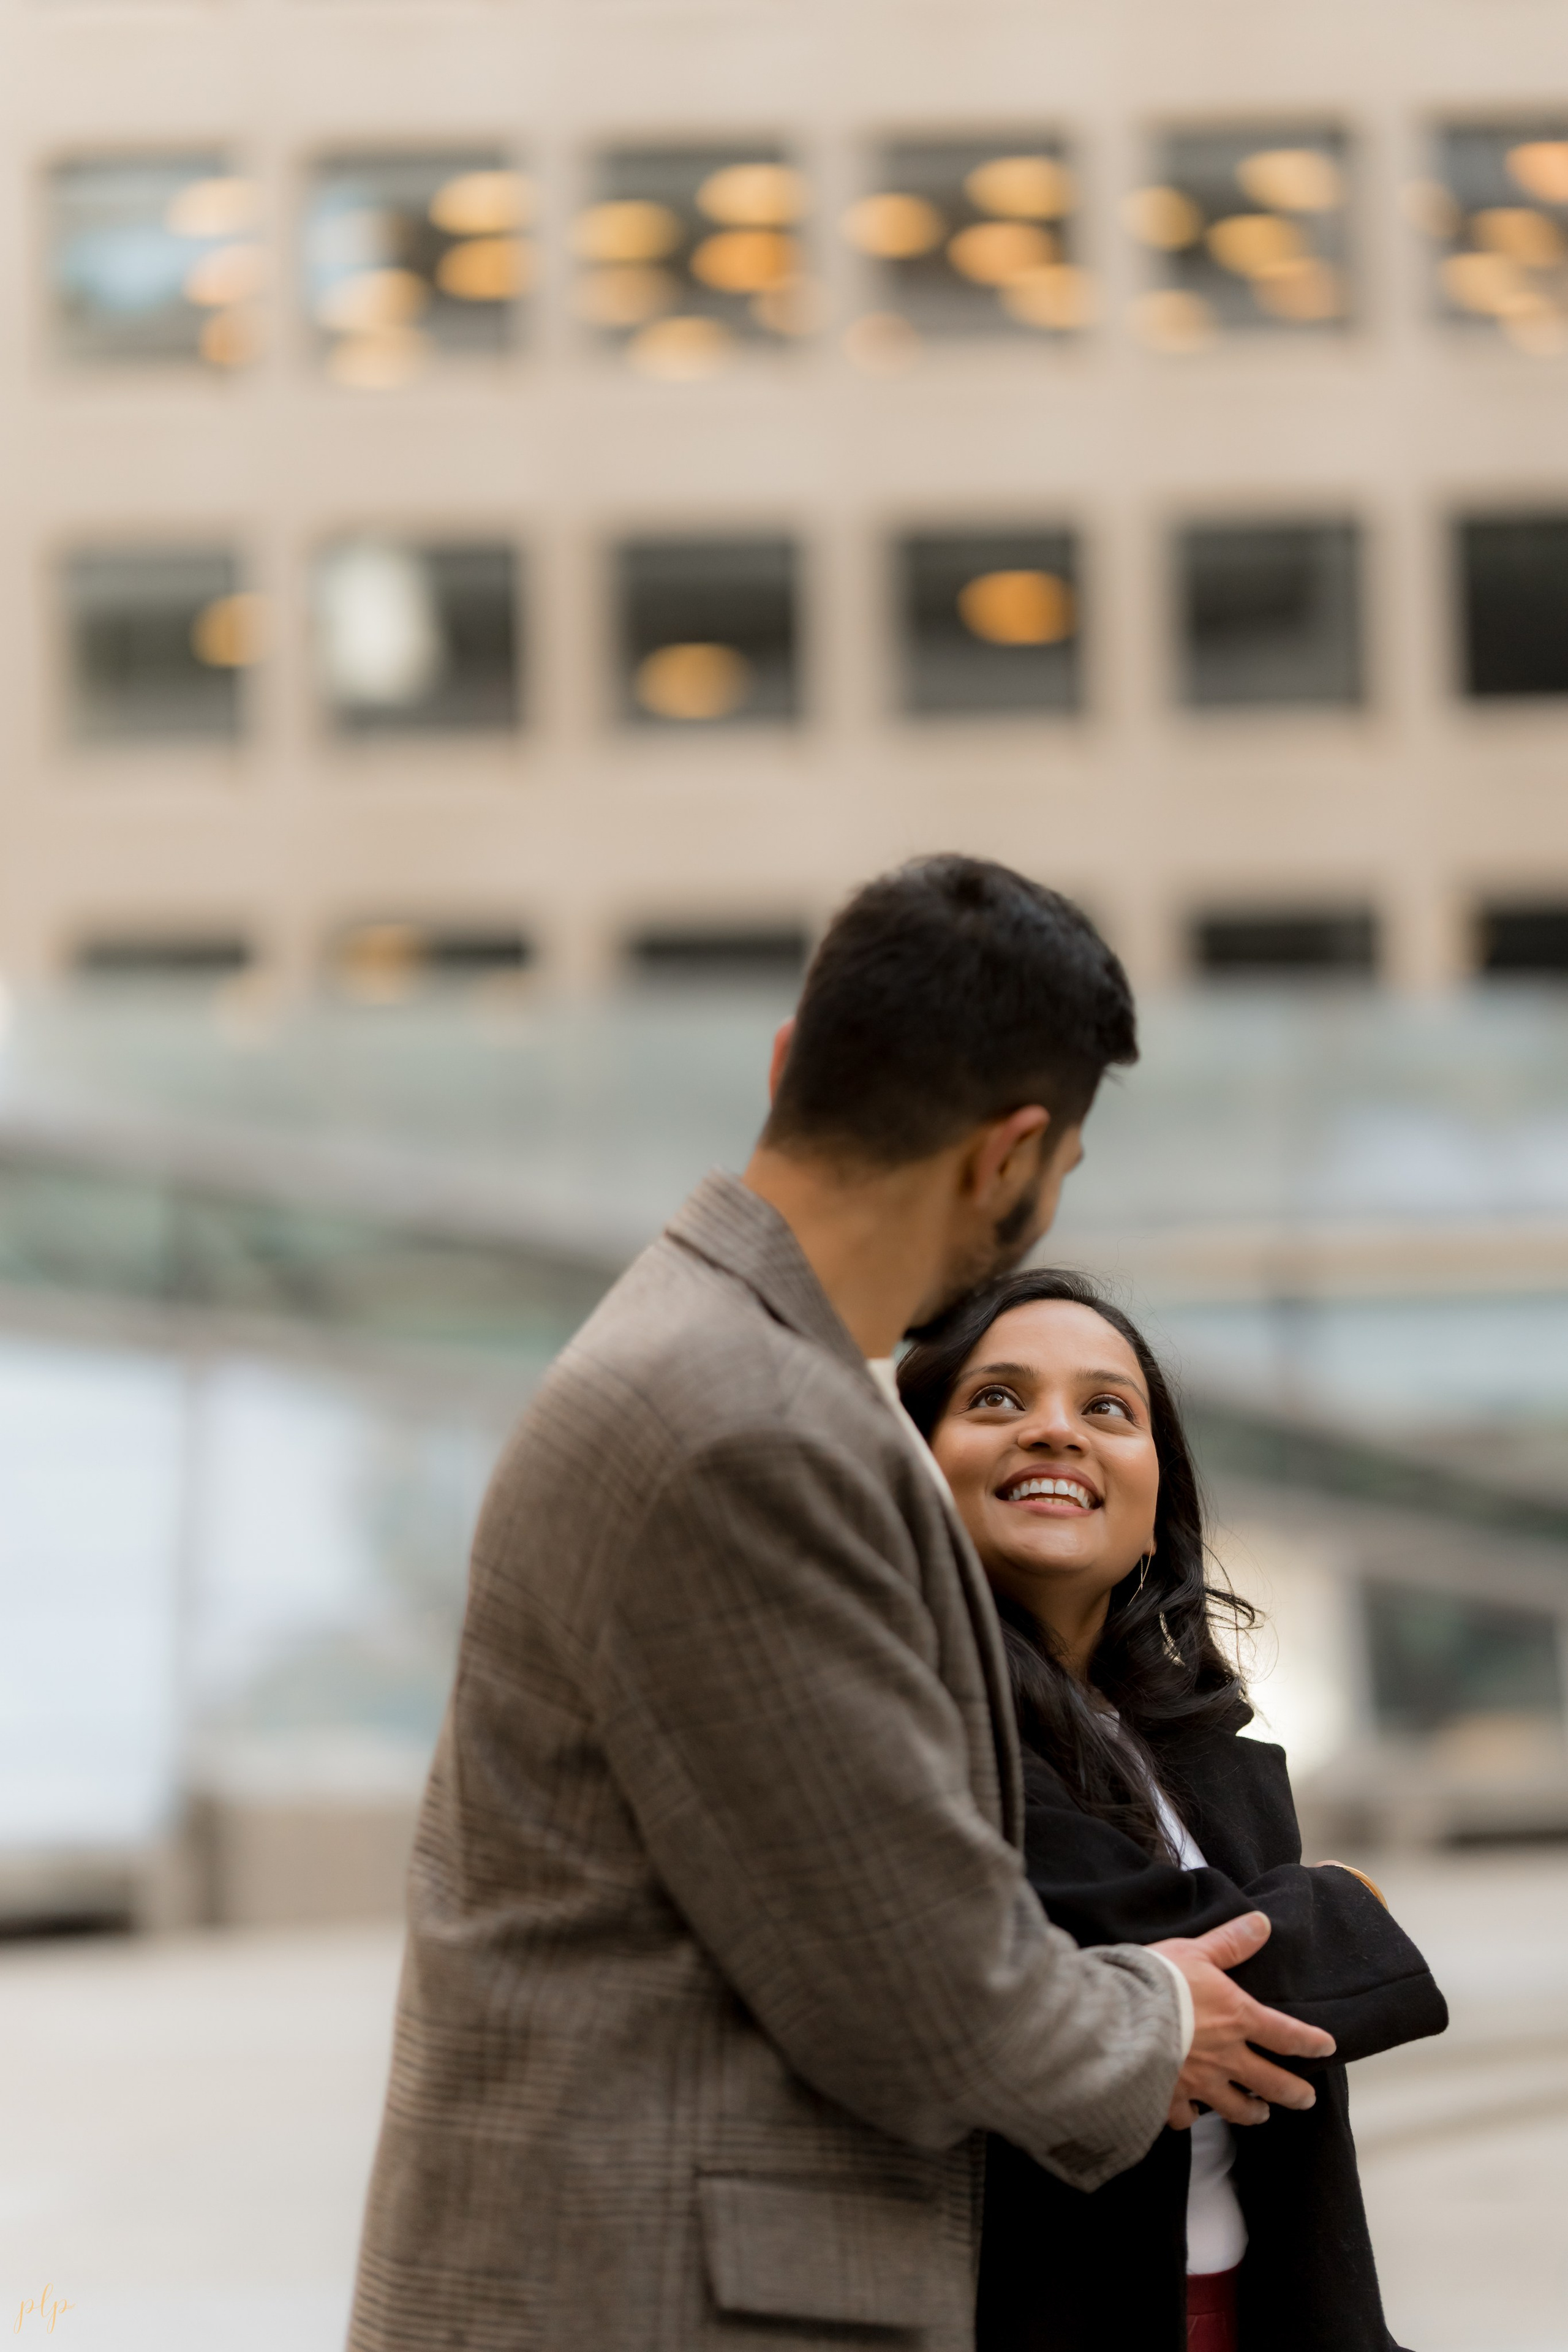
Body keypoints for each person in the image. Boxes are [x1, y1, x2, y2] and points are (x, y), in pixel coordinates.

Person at [348, 856, 1333, 2352]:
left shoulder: (722, 1365)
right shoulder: (743, 1425)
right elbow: (930, 2002)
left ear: (783, 1067)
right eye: (1059, 1171)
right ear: (1010, 1158)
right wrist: (1162, 2015)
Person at [897, 1267, 1449, 2352]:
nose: (1055, 1433)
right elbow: (1176, 1965)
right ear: (910, 1470)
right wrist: (1347, 1903)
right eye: (997, 1399)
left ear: (1157, 1502)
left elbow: (1243, 2008)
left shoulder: (1202, 1755)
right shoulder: (917, 1719)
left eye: (1107, 1409)